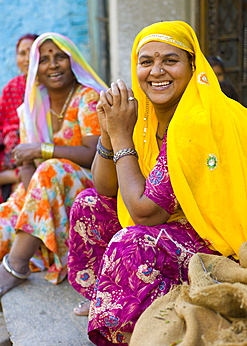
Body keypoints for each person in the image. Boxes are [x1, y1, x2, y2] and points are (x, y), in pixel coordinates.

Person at [67, 20, 247, 345]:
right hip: (175, 223)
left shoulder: (196, 122)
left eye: (170, 60)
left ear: (193, 67)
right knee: (90, 205)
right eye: (146, 61)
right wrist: (109, 131)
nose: (157, 71)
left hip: (215, 238)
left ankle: (128, 324)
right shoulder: (144, 117)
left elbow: (146, 214)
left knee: (135, 242)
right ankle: (112, 297)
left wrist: (122, 134)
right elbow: (106, 187)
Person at [0, 32, 108, 297]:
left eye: (60, 57)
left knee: (50, 169)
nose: (54, 65)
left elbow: (93, 152)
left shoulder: (87, 98)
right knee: (7, 216)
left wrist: (42, 149)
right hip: (46, 189)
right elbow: (26, 165)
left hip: (89, 184)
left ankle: (16, 265)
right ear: (36, 68)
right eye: (45, 59)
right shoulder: (32, 105)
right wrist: (33, 205)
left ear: (73, 62)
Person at [0, 34, 38, 202]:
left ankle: (13, 177)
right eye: (22, 53)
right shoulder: (12, 88)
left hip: (33, 151)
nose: (27, 58)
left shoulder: (48, 87)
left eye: (31, 52)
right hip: (9, 153)